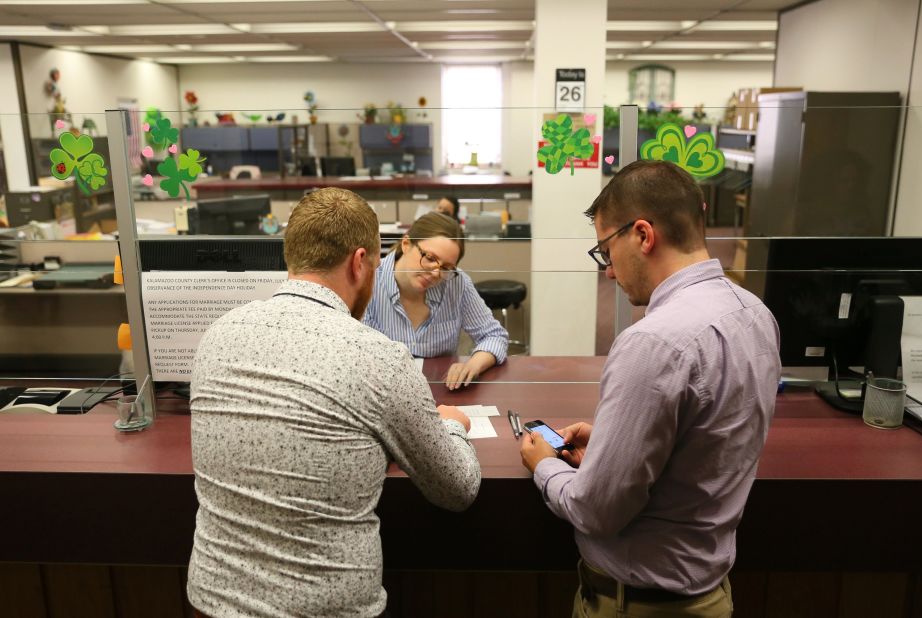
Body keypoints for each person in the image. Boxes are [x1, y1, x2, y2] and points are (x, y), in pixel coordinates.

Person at [187, 187, 481, 618]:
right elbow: (457, 489)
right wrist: (452, 425)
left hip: (211, 604)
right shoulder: (378, 358)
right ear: (359, 262)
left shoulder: (216, 336)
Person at [520, 160, 780, 618]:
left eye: (605, 250)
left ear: (642, 235)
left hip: (638, 606)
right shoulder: (756, 313)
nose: (608, 272)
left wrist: (544, 466)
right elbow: (704, 440)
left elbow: (596, 510)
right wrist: (611, 445)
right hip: (711, 596)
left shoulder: (653, 343)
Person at [363, 212, 508, 390]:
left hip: (441, 391)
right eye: (430, 258)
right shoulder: (368, 281)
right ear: (407, 244)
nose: (435, 273)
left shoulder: (456, 283)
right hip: (381, 392)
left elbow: (494, 336)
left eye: (446, 267)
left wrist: (472, 365)